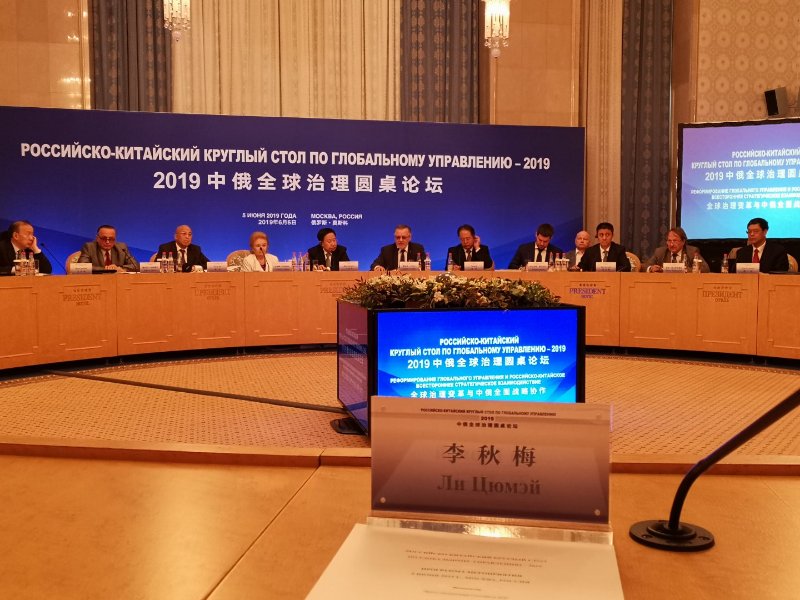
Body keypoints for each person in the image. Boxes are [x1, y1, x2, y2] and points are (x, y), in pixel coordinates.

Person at [644, 227, 710, 273]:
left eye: (675, 241)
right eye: (669, 241)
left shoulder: (692, 252)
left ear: (683, 242)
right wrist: (651, 268)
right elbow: (644, 266)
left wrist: (685, 270)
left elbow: (705, 268)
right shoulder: (660, 252)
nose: (671, 244)